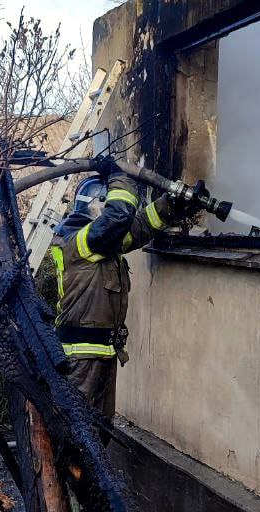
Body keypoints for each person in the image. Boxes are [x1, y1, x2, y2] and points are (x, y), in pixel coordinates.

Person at [48, 164, 198, 424]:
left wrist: (171, 205)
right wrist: (119, 176)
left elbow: (137, 227)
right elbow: (118, 217)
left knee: (100, 430)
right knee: (77, 436)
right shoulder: (78, 242)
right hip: (81, 360)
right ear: (96, 206)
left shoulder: (100, 244)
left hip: (102, 353)